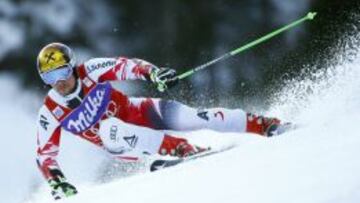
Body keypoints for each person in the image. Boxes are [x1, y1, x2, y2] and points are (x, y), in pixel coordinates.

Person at [36, 42, 284, 200]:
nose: (60, 81)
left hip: (139, 110)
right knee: (110, 127)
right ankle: (180, 148)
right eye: (50, 77)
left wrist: (153, 73)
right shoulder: (50, 111)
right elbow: (45, 156)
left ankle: (265, 125)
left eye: (63, 71)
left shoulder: (90, 69)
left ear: (73, 67)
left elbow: (127, 66)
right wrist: (58, 183)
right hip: (121, 144)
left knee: (198, 117)